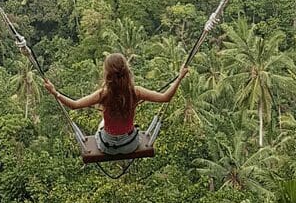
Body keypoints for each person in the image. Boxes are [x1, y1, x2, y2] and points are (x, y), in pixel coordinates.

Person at [44, 52, 188, 155]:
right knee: (127, 129)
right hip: (130, 145)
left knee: (101, 125)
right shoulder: (136, 92)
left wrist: (55, 92)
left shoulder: (103, 94)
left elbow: (74, 105)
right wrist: (179, 78)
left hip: (107, 146)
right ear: (126, 71)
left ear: (107, 73)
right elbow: (165, 97)